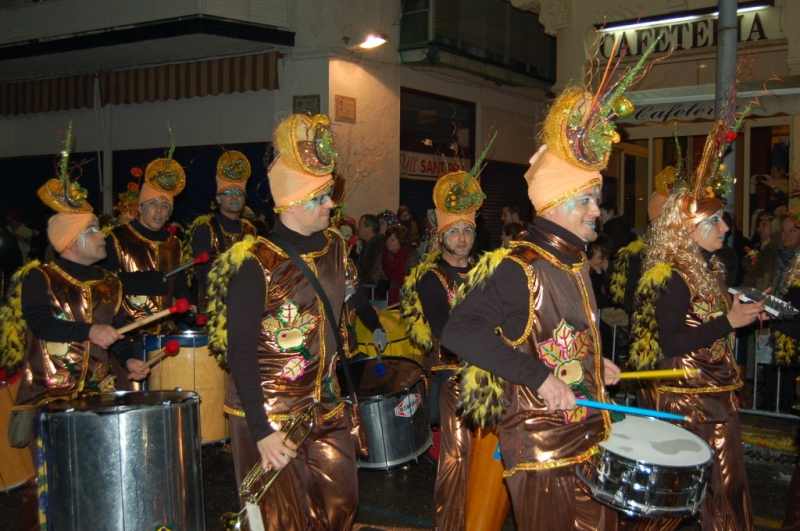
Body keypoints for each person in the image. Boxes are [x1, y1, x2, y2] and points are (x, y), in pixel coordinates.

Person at [441, 77, 643, 528]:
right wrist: (540, 378)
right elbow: (459, 330)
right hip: (543, 443)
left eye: (598, 198)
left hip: (585, 432)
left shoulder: (572, 261)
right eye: (588, 200)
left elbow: (555, 334)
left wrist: (593, 363)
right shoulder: (518, 266)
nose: (598, 210)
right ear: (557, 202)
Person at [207, 114, 358, 530]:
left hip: (326, 407)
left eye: (330, 195)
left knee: (341, 505)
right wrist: (262, 430)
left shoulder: (337, 246)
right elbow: (239, 352)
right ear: (293, 201)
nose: (331, 204)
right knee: (282, 521)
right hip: (272, 413)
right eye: (322, 197)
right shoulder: (254, 263)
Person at [0, 135, 149, 530]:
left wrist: (130, 356)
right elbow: (40, 323)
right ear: (72, 239)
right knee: (50, 485)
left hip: (98, 397)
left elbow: (118, 329)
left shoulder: (109, 282)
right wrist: (89, 329)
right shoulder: (40, 277)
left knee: (97, 480)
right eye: (95, 230)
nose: (104, 236)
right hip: (51, 397)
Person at [628, 120, 763, 531]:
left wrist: (748, 309)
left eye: (722, 219)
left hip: (715, 393)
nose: (725, 227)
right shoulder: (669, 274)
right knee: (676, 497)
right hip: (688, 400)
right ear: (688, 229)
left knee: (726, 491)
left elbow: (713, 320)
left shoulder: (708, 267)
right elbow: (672, 341)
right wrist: (729, 320)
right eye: (716, 221)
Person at [401, 143, 510, 531]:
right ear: (440, 234)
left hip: (495, 373)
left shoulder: (488, 268)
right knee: (458, 458)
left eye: (468, 230)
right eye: (454, 231)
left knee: (493, 461)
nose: (463, 238)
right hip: (454, 380)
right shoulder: (432, 278)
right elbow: (449, 333)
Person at [104, 155, 188, 336]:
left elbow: (178, 282)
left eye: (165, 205)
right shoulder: (117, 238)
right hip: (128, 333)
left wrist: (188, 303)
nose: (159, 210)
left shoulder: (173, 243)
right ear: (140, 208)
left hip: (165, 334)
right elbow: (105, 284)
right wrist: (148, 282)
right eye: (153, 204)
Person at [187, 151, 258, 313]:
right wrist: (228, 296)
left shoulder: (250, 230)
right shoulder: (205, 228)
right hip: (215, 307)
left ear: (244, 199)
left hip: (247, 304)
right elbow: (203, 272)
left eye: (239, 193)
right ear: (218, 199)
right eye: (228, 193)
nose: (234, 197)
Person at [381, 225, 419, 305]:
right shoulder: (383, 254)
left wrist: (392, 284)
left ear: (401, 241)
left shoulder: (412, 254)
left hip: (408, 297)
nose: (389, 242)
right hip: (386, 297)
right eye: (387, 238)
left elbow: (413, 276)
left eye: (392, 239)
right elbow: (376, 274)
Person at [357, 213, 384, 285]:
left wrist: (357, 280)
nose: (357, 228)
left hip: (373, 292)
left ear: (369, 229)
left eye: (360, 226)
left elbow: (372, 273)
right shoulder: (368, 244)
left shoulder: (378, 246)